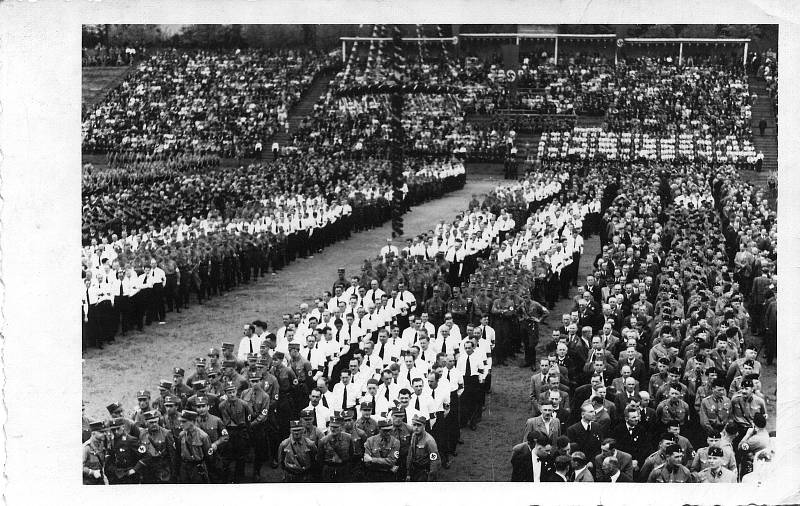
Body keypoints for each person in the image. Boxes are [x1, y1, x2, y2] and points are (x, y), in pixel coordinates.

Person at [137, 410, 177, 484]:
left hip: (163, 469)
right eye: (151, 422)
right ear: (146, 423)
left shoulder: (166, 433)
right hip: (148, 470)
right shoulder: (142, 434)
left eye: (155, 422)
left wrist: (173, 473)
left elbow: (172, 456)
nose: (154, 424)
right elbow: (140, 452)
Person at [176, 410, 212, 483]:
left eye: (184, 422)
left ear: (192, 421)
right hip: (184, 467)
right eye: (181, 421)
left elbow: (209, 456)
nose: (181, 424)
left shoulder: (203, 436)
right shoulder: (181, 435)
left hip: (197, 467)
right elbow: (179, 451)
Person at [317, 414, 355, 482]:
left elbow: (351, 454)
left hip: (344, 469)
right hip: (329, 469)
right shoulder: (324, 440)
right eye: (331, 426)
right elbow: (320, 458)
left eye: (336, 427)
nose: (333, 429)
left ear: (342, 427)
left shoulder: (348, 438)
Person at [406, 414, 440, 481]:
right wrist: (408, 473)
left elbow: (435, 462)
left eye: (419, 425)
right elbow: (411, 454)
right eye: (414, 425)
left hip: (424, 472)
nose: (416, 427)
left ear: (424, 426)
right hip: (414, 470)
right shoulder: (414, 435)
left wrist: (430, 479)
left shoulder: (429, 441)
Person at [83, 421, 109, 485]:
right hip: (89, 482)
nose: (104, 434)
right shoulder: (86, 448)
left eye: (104, 432)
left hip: (100, 480)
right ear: (93, 433)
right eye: (101, 432)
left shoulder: (101, 444)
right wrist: (91, 472)